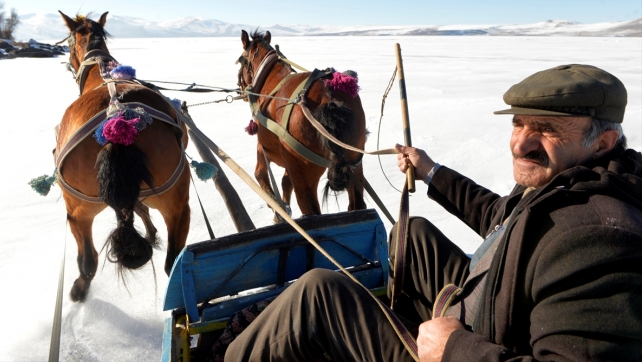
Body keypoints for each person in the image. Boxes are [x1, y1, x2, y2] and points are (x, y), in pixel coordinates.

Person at [224, 64, 642, 362]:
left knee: (319, 293)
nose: (521, 144)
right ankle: (398, 324)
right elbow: (503, 218)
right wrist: (431, 171)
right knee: (414, 232)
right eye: (519, 123)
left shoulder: (598, 237)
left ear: (603, 142)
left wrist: (454, 350)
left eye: (547, 129)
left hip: (471, 343)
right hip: (489, 305)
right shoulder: (570, 178)